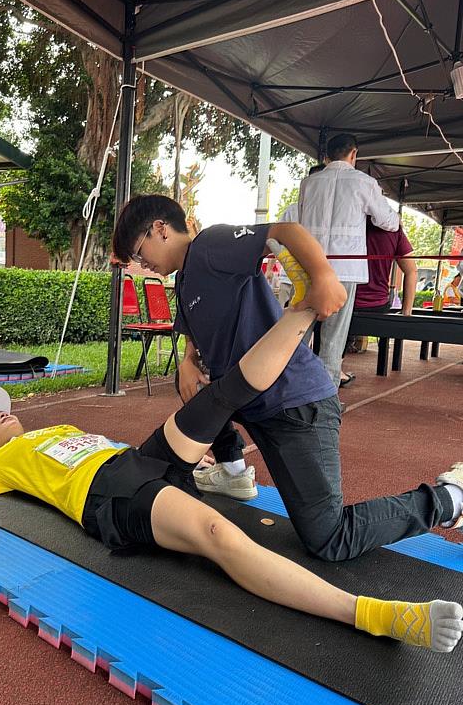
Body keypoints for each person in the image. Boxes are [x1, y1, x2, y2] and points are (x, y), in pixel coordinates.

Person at [0, 309, 462, 654]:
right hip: (111, 499)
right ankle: (377, 616)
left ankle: (304, 309)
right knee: (220, 537)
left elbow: (134, 445)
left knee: (218, 397)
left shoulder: (57, 426)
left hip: (140, 460)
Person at [111, 193, 463, 562]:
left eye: (138, 252)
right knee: (204, 396)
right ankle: (232, 469)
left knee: (328, 538)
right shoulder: (184, 282)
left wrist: (323, 276)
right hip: (250, 402)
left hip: (295, 405)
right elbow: (193, 329)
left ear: (160, 229)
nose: (142, 264)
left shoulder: (210, 245)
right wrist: (186, 360)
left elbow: (285, 230)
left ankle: (449, 498)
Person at [297, 134, 400, 387]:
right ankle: (325, 400)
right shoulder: (364, 183)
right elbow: (388, 221)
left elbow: (300, 222)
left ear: (327, 155)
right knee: (334, 338)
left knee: (299, 332)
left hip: (311, 266)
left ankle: (290, 389)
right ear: (353, 153)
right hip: (345, 270)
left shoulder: (309, 183)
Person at [342, 217, 417, 371]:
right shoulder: (394, 229)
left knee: (336, 320)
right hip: (377, 306)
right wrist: (406, 312)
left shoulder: (346, 223)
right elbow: (412, 271)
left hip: (342, 303)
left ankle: (336, 365)